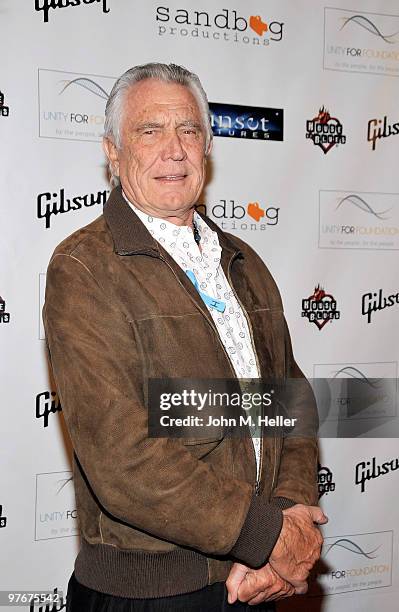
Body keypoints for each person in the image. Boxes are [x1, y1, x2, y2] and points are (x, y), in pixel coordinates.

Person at [43, 62, 327, 612]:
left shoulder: (244, 262)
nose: (174, 149)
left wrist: (290, 513)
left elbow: (291, 401)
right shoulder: (83, 267)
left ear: (207, 148)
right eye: (150, 131)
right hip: (155, 594)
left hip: (253, 578)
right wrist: (268, 535)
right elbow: (122, 456)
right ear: (113, 151)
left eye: (189, 130)